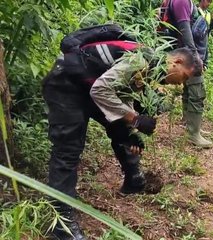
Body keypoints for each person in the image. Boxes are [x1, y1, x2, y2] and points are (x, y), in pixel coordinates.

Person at [43, 35, 200, 239]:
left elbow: (120, 97)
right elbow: (101, 90)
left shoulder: (149, 68)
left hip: (88, 86)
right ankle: (61, 224)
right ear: (176, 62)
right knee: (68, 150)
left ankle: (133, 179)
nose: (180, 84)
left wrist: (131, 129)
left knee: (123, 129)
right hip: (66, 85)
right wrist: (134, 119)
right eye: (185, 77)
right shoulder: (141, 60)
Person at [160, 0, 213, 148]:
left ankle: (189, 124)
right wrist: (195, 56)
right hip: (186, 56)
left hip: (184, 54)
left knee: (189, 91)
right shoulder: (181, 1)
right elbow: (185, 29)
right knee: (197, 93)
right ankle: (193, 134)